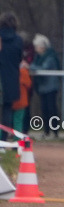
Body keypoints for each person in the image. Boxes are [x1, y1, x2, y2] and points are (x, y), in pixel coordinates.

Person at [30, 35, 60, 139]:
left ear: (42, 47)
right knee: (44, 109)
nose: (36, 48)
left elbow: (44, 68)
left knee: (52, 109)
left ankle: (55, 131)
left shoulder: (50, 57)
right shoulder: (37, 57)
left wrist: (30, 67)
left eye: (37, 46)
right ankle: (46, 131)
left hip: (51, 87)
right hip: (42, 88)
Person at [0, 12, 24, 140]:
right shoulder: (18, 40)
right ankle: (3, 141)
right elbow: (19, 58)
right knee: (7, 112)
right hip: (11, 79)